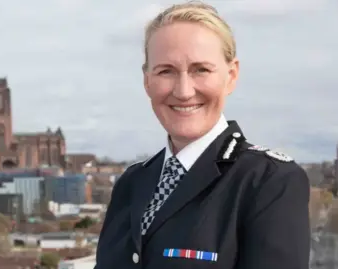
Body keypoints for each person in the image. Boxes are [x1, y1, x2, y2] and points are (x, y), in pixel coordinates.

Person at [94, 1, 310, 269]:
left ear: (231, 76)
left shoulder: (268, 182)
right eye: (166, 71)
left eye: (201, 70)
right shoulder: (132, 183)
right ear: (147, 80)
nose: (184, 91)